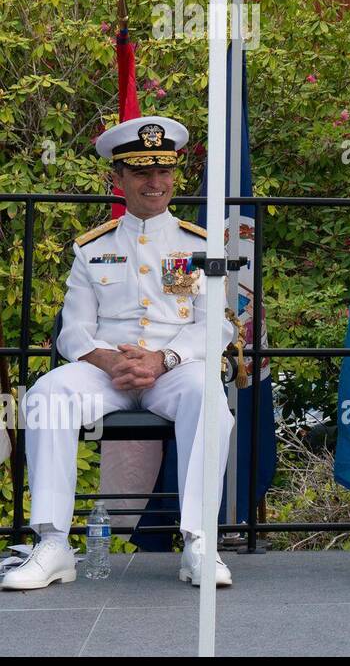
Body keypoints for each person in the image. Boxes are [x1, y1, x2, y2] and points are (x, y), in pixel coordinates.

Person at [4, 116, 234, 591]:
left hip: (174, 368)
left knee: (208, 398)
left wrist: (162, 360)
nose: (156, 184)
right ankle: (52, 543)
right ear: (119, 179)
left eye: (164, 172)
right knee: (47, 395)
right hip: (107, 370)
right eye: (141, 174)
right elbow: (74, 332)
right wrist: (112, 362)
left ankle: (198, 541)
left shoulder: (194, 246)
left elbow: (216, 325)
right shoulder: (93, 249)